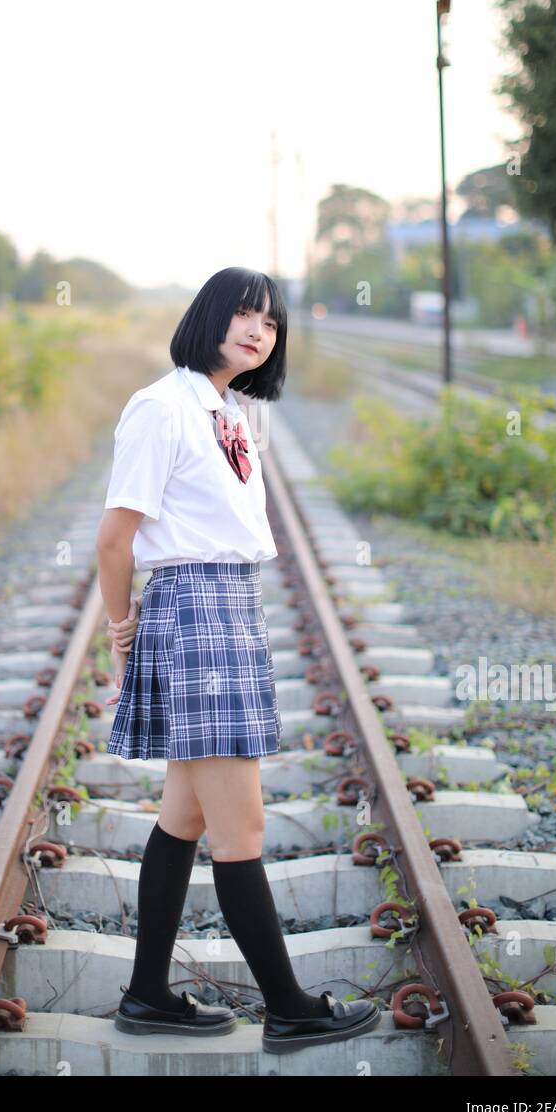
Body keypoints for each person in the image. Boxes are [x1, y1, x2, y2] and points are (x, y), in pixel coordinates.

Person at [95, 266, 381, 1053]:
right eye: (245, 315)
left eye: (272, 322)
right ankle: (288, 1007)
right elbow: (115, 538)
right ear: (210, 317)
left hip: (229, 609)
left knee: (184, 815)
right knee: (241, 825)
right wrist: (122, 631)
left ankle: (147, 994)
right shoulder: (162, 407)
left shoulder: (227, 409)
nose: (259, 330)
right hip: (198, 616)